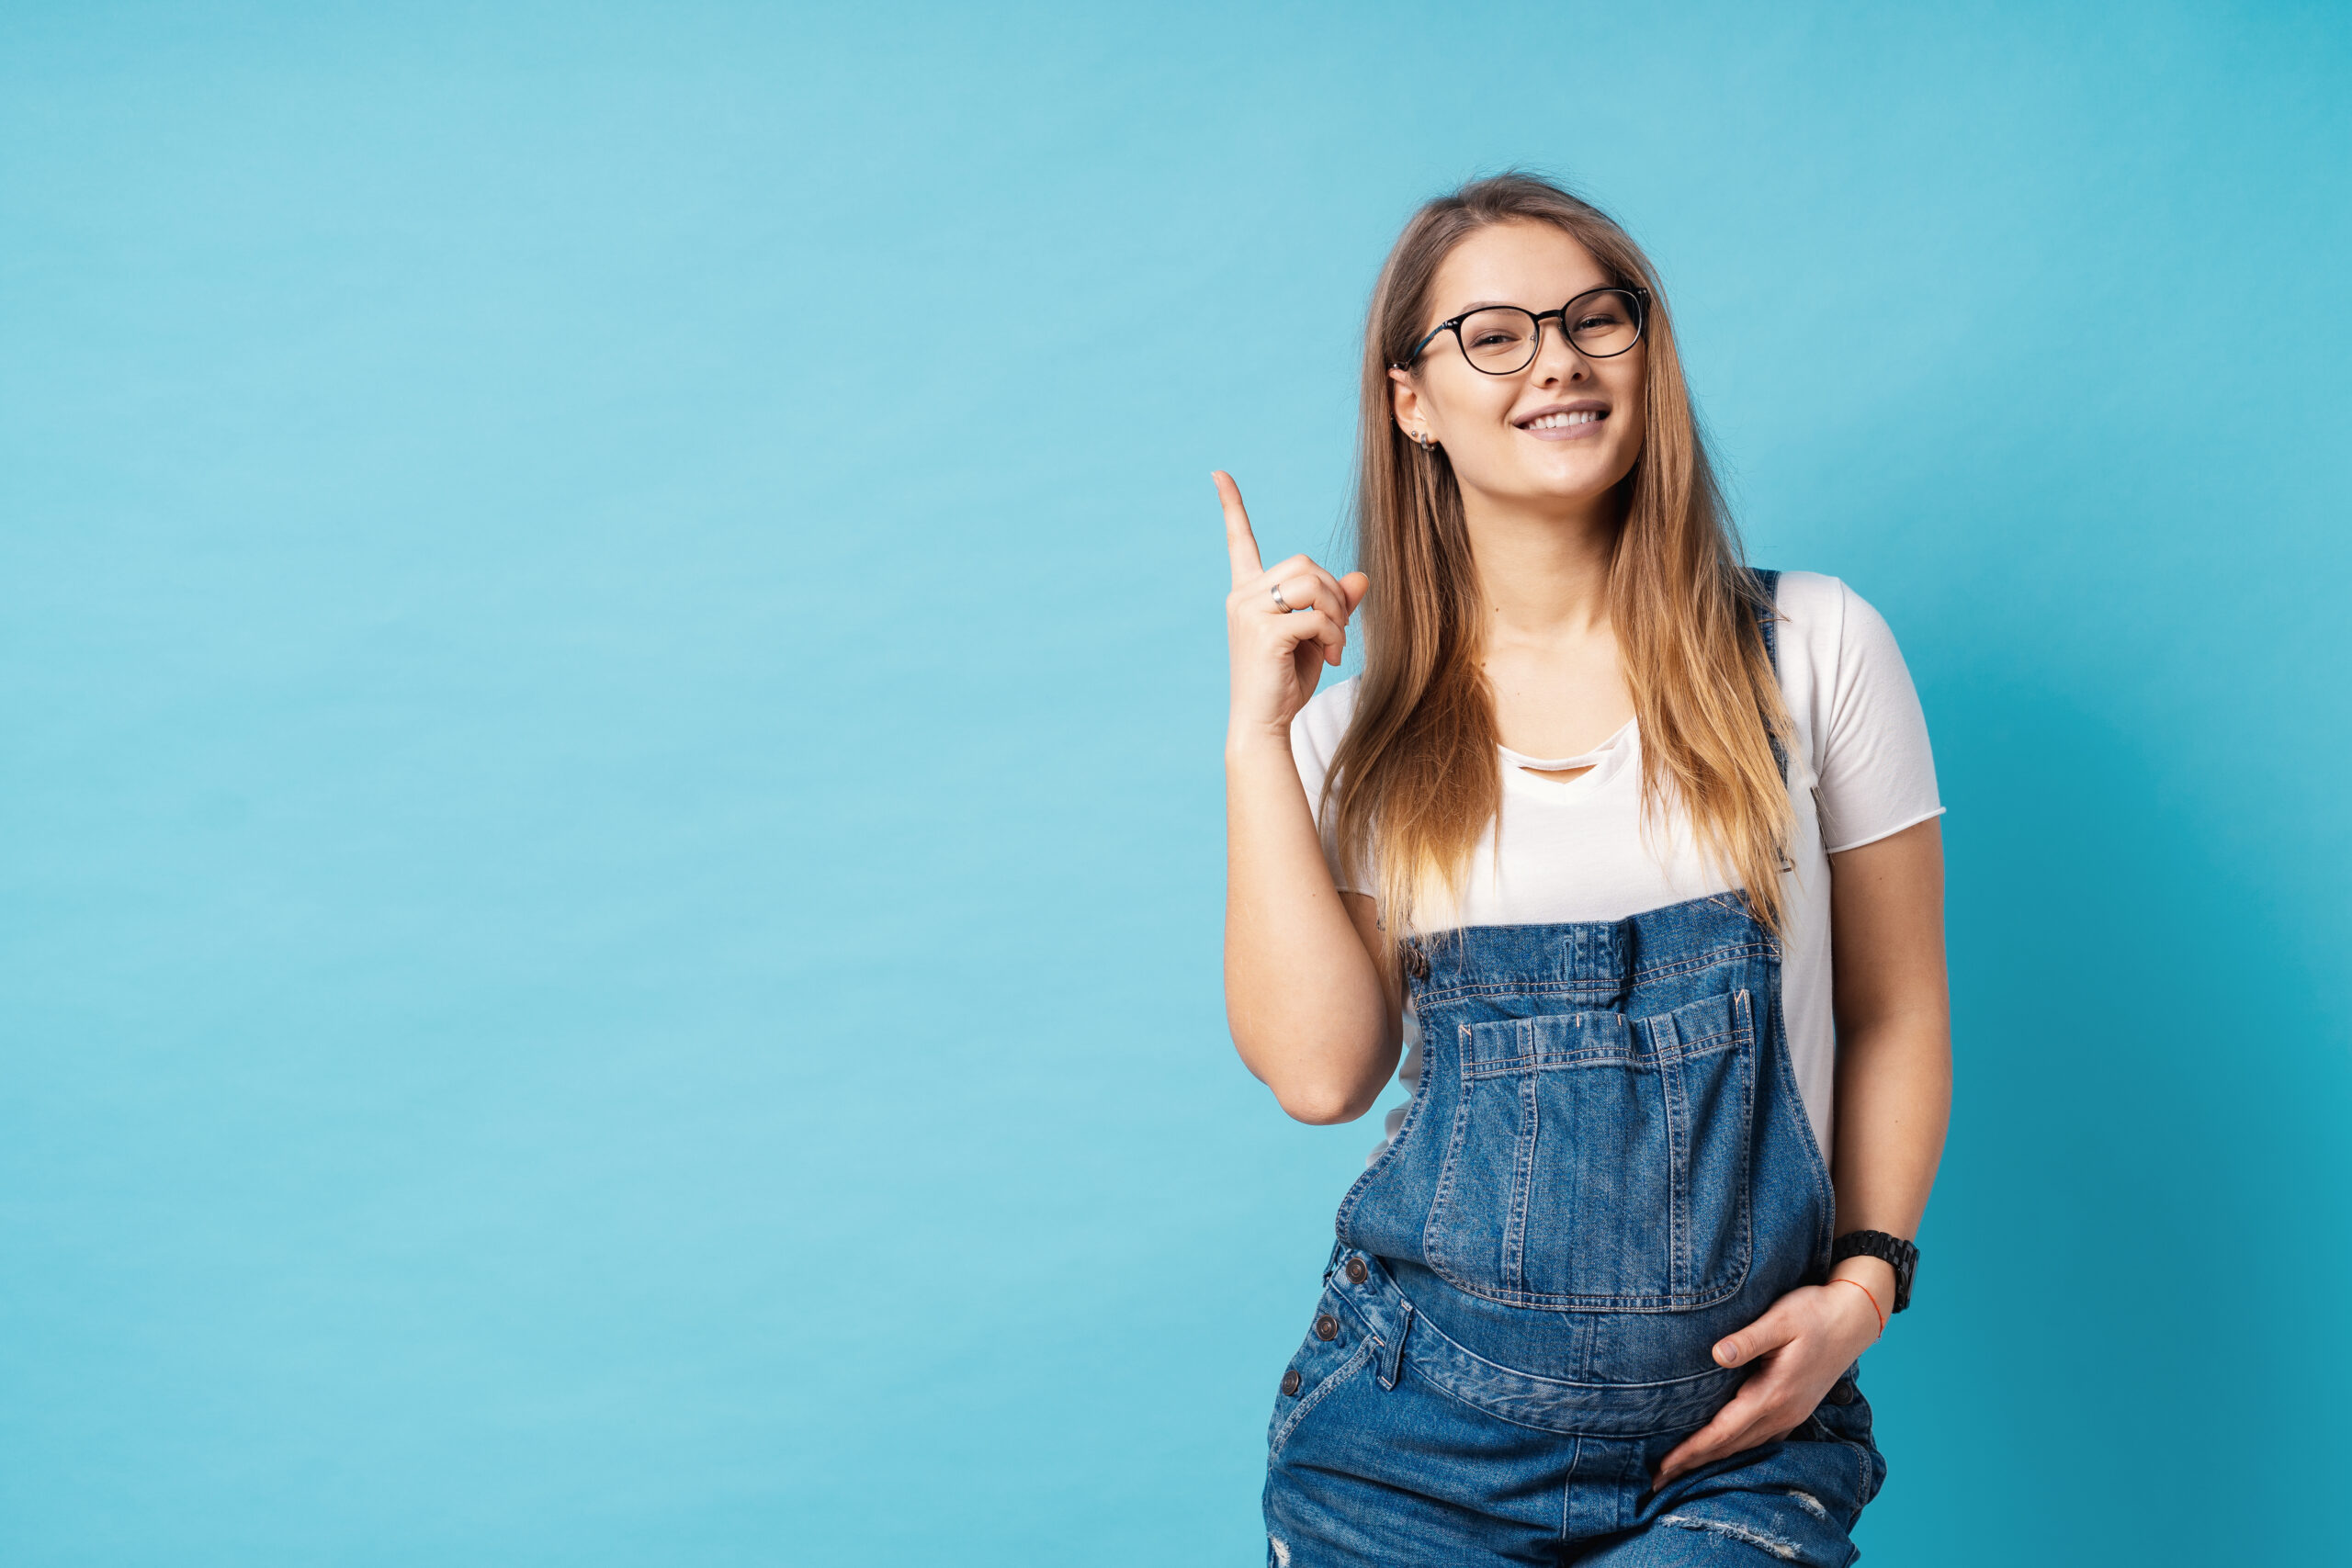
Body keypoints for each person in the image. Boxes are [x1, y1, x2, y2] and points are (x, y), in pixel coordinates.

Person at [1216, 172, 1951, 1566]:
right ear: (1411, 401)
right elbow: (1322, 1077)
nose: (1556, 357)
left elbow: (1898, 1009)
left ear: (1644, 352)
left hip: (1737, 1453)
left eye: (1593, 318)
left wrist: (1865, 1286)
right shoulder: (1357, 737)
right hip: (1409, 1453)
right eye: (1492, 334)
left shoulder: (1814, 651)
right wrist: (1263, 737)